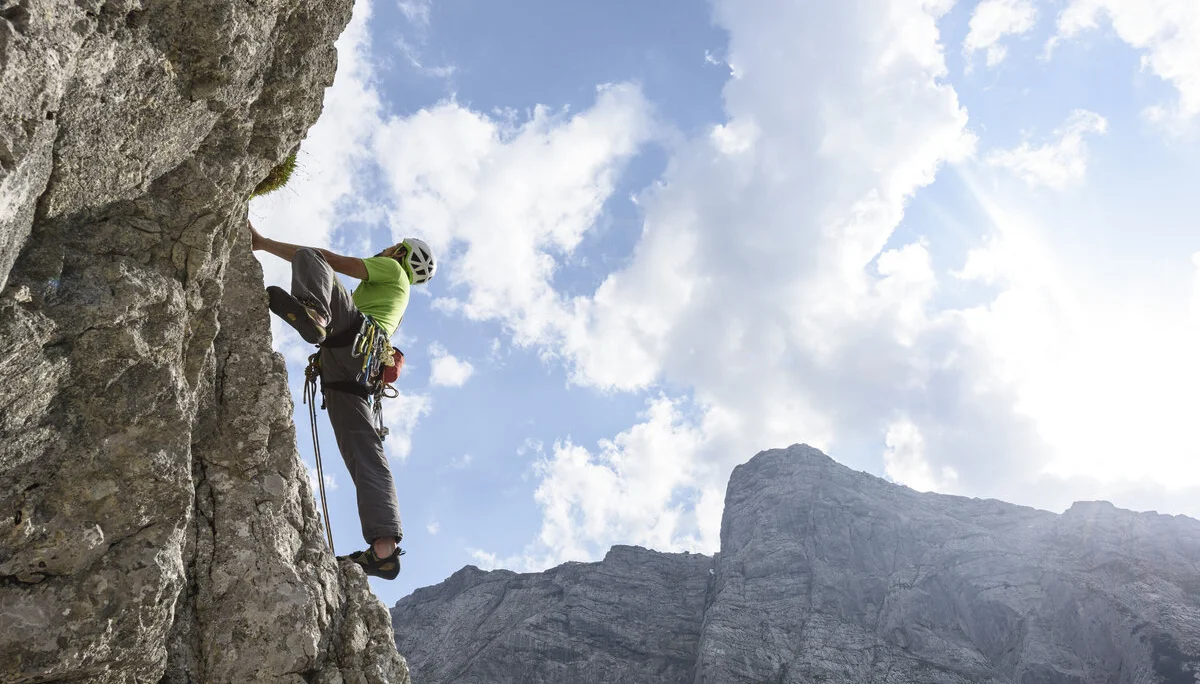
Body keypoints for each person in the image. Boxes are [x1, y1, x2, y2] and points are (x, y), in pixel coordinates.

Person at [247, 220, 436, 580]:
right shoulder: (393, 297)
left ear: (400, 252)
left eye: (392, 247)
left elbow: (328, 260)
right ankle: (384, 551)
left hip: (348, 344)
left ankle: (316, 313)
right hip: (353, 371)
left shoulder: (393, 269)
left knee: (310, 255)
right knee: (366, 452)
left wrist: (265, 243)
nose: (385, 249)